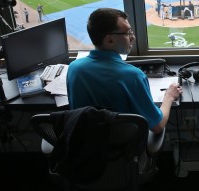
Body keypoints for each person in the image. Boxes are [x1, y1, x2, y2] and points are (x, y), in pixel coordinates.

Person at [66, 8, 182, 136]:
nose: (133, 37)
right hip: (120, 148)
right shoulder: (133, 76)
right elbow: (158, 126)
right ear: (109, 40)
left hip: (82, 146)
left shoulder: (74, 68)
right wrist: (169, 97)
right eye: (127, 33)